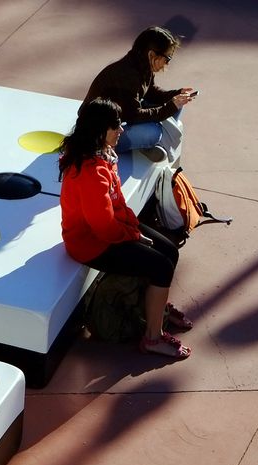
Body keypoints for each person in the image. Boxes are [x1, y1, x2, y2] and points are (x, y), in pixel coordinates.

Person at [59, 98, 192, 360]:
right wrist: (134, 235)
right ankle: (153, 338)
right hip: (90, 243)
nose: (121, 130)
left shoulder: (103, 155)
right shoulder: (90, 172)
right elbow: (104, 227)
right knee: (161, 267)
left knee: (170, 251)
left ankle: (158, 310)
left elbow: (116, 203)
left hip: (112, 228)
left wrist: (133, 227)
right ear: (100, 131)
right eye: (116, 127)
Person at [80, 26, 195, 159]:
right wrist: (168, 108)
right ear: (152, 55)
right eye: (167, 58)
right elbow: (133, 115)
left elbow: (151, 92)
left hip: (121, 116)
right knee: (153, 133)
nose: (167, 63)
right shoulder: (128, 76)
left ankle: (147, 145)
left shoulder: (143, 66)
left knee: (177, 105)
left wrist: (175, 94)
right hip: (100, 134)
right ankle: (148, 144)